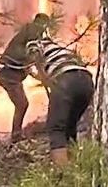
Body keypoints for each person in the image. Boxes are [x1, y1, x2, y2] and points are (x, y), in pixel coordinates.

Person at [25, 33, 94, 166]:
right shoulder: (61, 49)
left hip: (65, 80)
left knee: (56, 128)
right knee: (69, 126)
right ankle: (75, 164)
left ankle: (65, 174)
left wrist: (37, 71)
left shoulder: (36, 42)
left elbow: (34, 54)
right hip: (86, 81)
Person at [0, 13, 51, 142]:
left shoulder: (26, 33)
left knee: (22, 104)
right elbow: (33, 57)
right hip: (8, 75)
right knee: (22, 104)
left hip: (9, 73)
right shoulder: (32, 32)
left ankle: (17, 134)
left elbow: (27, 63)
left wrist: (39, 76)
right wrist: (43, 76)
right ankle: (16, 136)